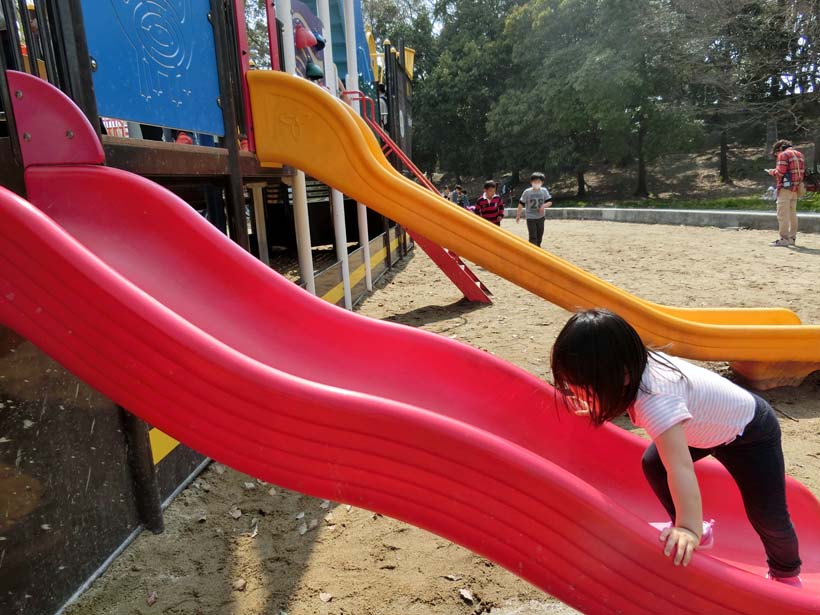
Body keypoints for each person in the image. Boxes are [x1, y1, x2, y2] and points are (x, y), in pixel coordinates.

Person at [550, 309, 803, 586]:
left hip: (750, 433)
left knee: (768, 516)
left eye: (587, 390)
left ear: (621, 376)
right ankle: (698, 529)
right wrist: (598, 403)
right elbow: (621, 396)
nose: (578, 395)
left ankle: (786, 574)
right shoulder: (633, 367)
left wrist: (688, 528)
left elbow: (680, 468)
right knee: (653, 463)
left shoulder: (656, 398)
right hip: (707, 427)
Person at [766, 139, 805, 247]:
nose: (776, 155)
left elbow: (780, 172)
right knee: (793, 214)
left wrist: (771, 171)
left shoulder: (783, 155)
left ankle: (783, 239)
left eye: (776, 153)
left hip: (785, 189)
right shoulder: (799, 154)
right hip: (795, 189)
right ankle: (792, 238)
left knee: (782, 215)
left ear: (780, 149)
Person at [516, 172, 552, 246]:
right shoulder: (527, 192)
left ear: (542, 182)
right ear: (531, 182)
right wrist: (518, 215)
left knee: (539, 235)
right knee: (533, 236)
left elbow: (550, 202)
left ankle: (538, 249)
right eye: (534, 182)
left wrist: (543, 206)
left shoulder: (544, 191)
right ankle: (533, 251)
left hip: (541, 217)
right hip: (530, 217)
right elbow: (521, 204)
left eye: (538, 182)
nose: (536, 183)